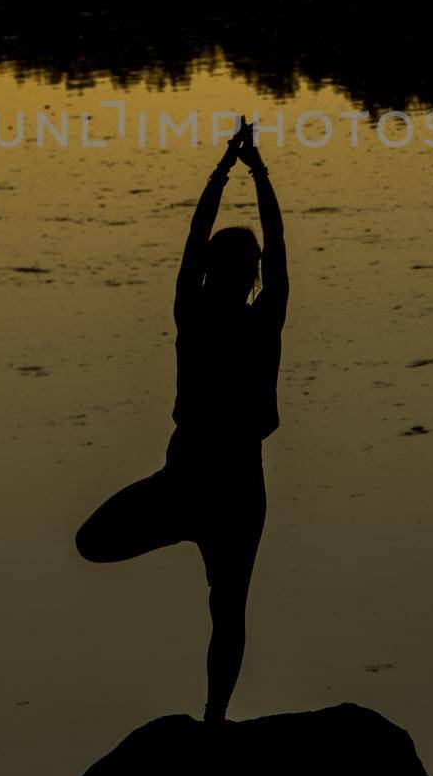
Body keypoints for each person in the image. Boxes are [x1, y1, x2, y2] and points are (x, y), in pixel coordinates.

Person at [75, 114, 289, 726]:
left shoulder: (197, 314)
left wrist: (225, 170)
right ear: (248, 276)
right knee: (227, 609)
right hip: (218, 485)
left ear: (214, 273)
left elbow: (200, 240)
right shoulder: (258, 319)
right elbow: (274, 247)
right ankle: (214, 716)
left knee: (221, 604)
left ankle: (215, 721)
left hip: (206, 481)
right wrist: (256, 172)